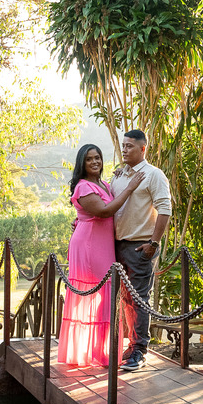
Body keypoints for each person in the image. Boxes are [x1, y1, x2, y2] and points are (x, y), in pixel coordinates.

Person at [57, 143, 143, 368]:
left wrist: (121, 176)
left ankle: (102, 351)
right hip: (89, 245)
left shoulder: (103, 184)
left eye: (97, 157)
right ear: (82, 164)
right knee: (101, 294)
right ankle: (97, 353)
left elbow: (109, 200)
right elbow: (105, 211)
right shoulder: (83, 187)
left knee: (106, 297)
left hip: (103, 243)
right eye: (89, 159)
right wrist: (130, 187)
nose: (95, 162)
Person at [110, 129, 172, 371]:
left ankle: (139, 351)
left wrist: (153, 243)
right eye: (123, 145)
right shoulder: (119, 176)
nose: (124, 149)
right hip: (117, 245)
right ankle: (131, 345)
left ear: (143, 148)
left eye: (130, 146)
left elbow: (165, 209)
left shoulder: (153, 175)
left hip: (140, 246)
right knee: (125, 299)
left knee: (138, 298)